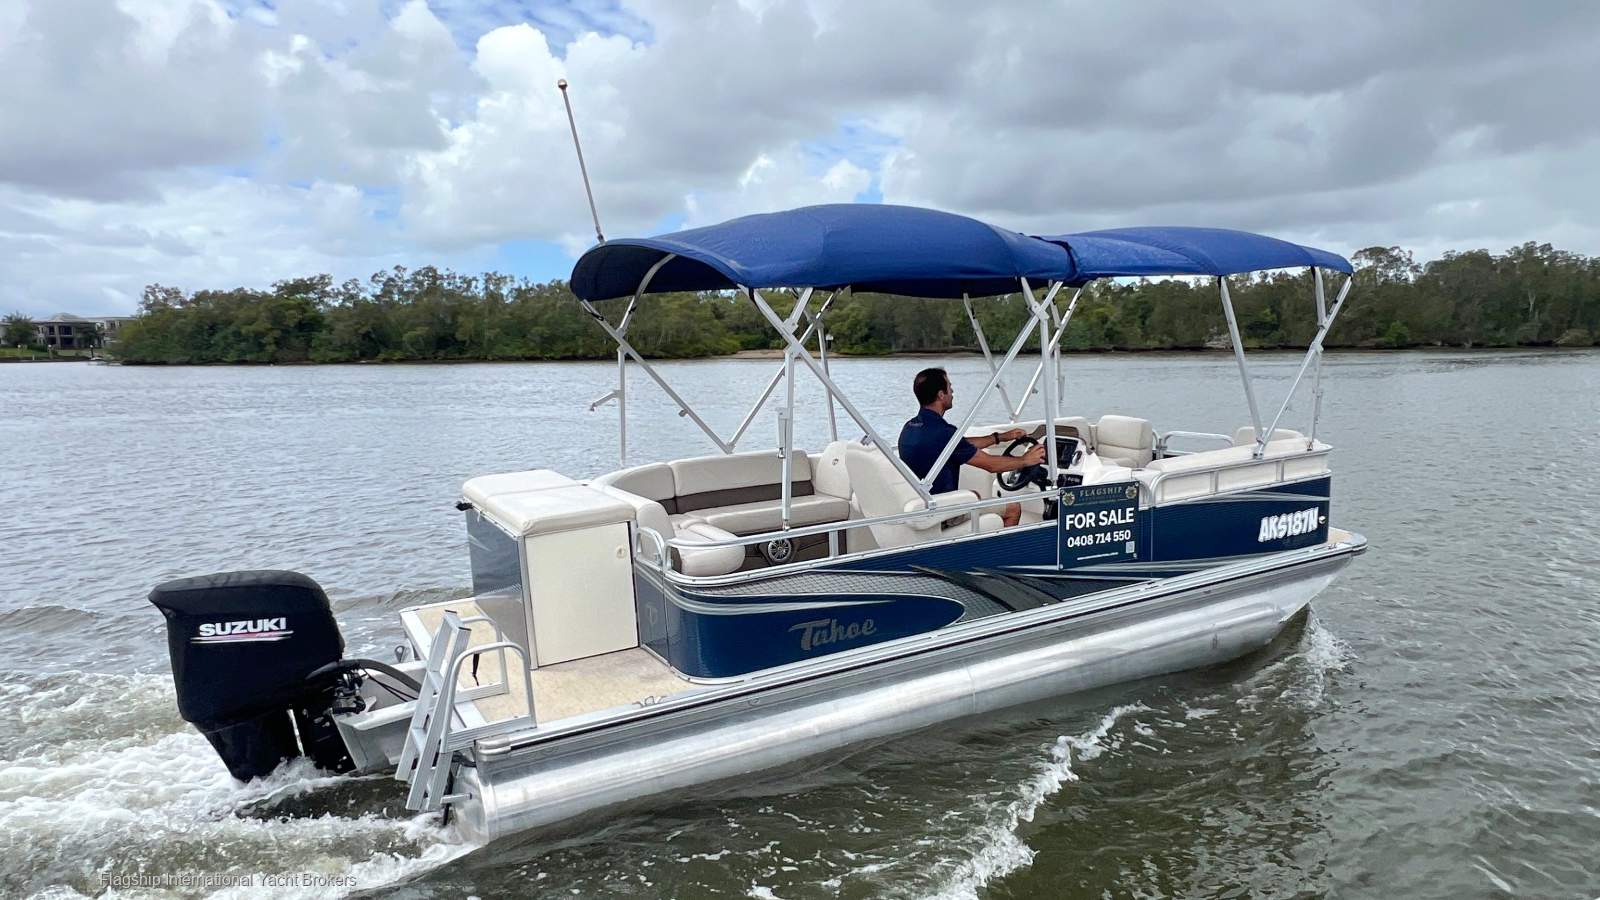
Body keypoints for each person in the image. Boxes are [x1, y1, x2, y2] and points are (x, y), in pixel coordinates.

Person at [896, 367, 1046, 528]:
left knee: (974, 495)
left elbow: (958, 446)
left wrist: (999, 437)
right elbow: (991, 465)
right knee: (1013, 508)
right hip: (943, 513)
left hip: (924, 505)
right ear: (941, 395)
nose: (952, 391)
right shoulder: (943, 433)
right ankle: (999, 553)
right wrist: (1025, 460)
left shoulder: (910, 427)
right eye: (949, 387)